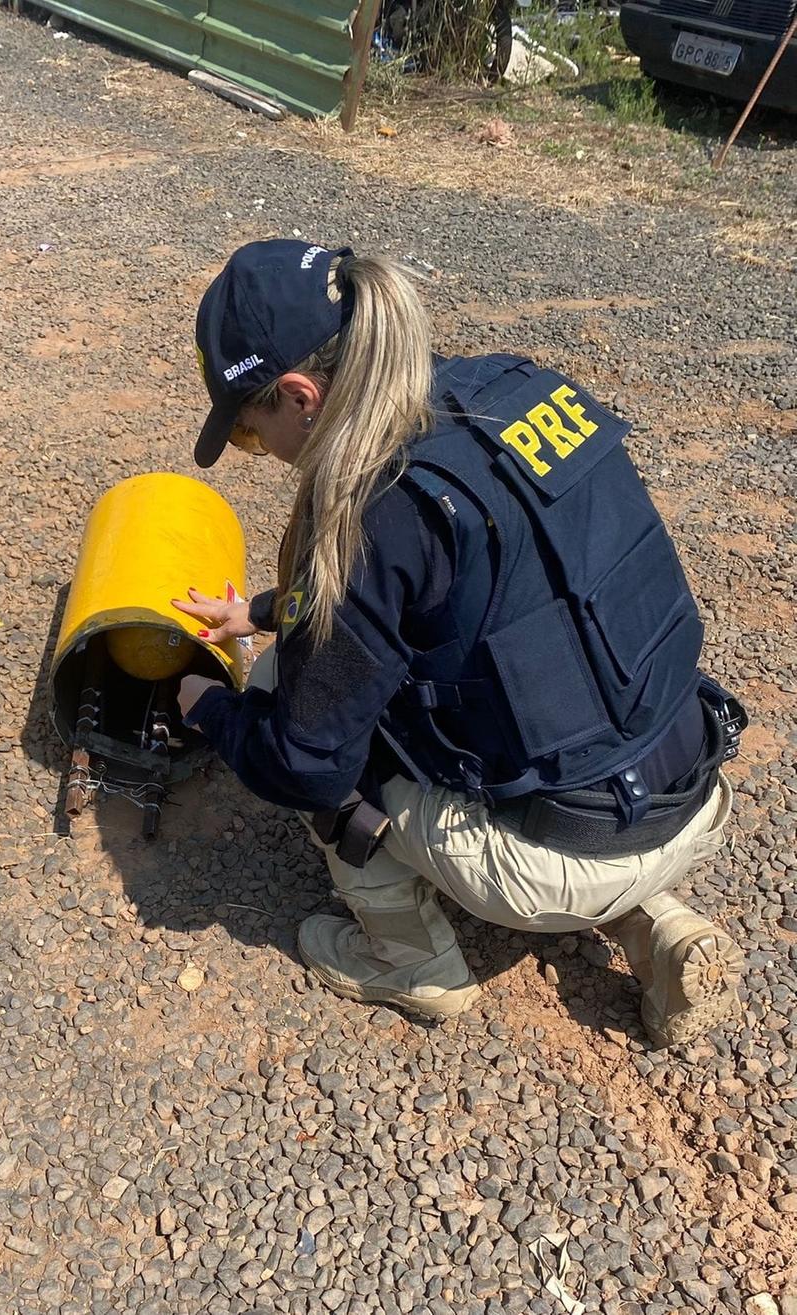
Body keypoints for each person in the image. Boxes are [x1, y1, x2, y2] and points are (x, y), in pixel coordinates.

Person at [172, 239, 746, 1049]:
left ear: (302, 395)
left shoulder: (369, 510)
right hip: (688, 783)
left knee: (290, 706)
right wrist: (267, 608)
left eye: (253, 435)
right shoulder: (512, 389)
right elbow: (481, 592)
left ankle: (414, 965)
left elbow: (303, 762)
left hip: (556, 865)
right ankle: (661, 925)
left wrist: (216, 711)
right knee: (564, 718)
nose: (263, 455)